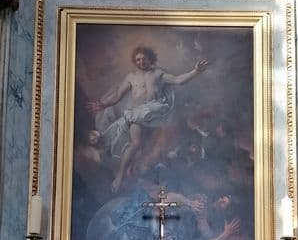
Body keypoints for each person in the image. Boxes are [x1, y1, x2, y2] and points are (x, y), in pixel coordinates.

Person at [87, 46, 209, 193]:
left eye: (143, 59)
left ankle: (131, 174)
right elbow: (118, 94)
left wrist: (195, 71)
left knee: (148, 149)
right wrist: (103, 104)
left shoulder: (158, 74)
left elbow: (177, 80)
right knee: (135, 144)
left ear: (150, 59)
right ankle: (120, 176)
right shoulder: (131, 77)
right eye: (138, 59)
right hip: (138, 115)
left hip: (153, 114)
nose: (141, 62)